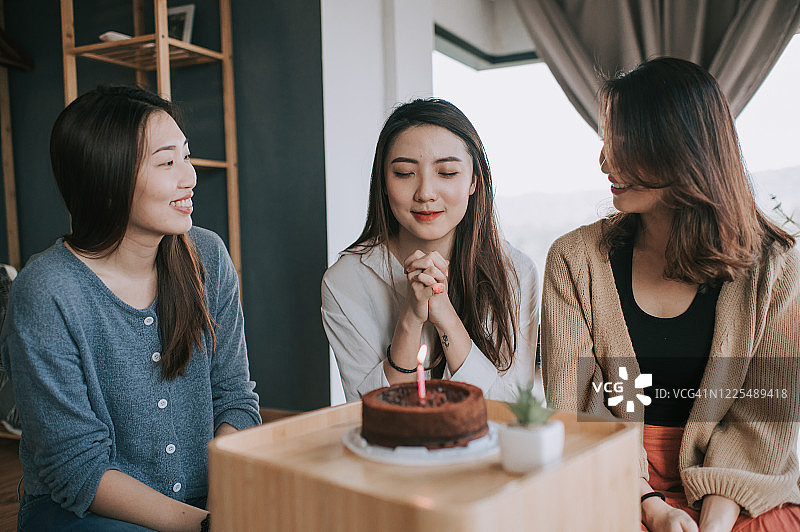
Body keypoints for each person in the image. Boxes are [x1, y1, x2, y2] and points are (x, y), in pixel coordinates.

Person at [541, 57, 800, 532]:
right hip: (614, 479)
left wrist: (714, 523)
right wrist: (650, 505)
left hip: (740, 491)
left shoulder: (776, 268)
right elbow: (577, 406)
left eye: (622, 143)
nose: (604, 160)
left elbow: (763, 419)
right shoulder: (575, 261)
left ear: (681, 150)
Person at [0, 86, 261, 531]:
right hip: (86, 511)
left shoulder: (208, 257)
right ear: (107, 180)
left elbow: (235, 400)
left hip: (205, 503)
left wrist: (221, 508)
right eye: (166, 162)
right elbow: (76, 469)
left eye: (186, 155)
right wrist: (203, 526)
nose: (190, 176)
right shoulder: (46, 292)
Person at [322, 98, 539, 402]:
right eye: (404, 173)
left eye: (447, 173)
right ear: (383, 182)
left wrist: (444, 315)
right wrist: (410, 318)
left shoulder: (515, 270)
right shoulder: (346, 281)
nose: (425, 193)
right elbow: (369, 411)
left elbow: (513, 407)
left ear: (474, 180)